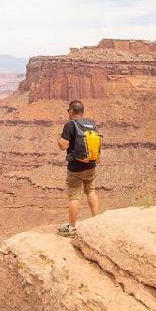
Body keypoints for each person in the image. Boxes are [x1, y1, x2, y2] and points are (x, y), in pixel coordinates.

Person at [57, 100, 100, 236]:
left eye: (68, 111)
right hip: (91, 165)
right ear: (82, 111)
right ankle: (96, 221)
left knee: (74, 197)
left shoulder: (70, 125)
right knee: (91, 191)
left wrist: (59, 140)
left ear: (71, 111)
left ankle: (71, 228)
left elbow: (63, 145)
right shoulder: (91, 124)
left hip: (76, 168)